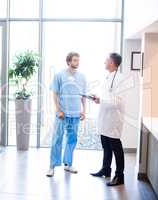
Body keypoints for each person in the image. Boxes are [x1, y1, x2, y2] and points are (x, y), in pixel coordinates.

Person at [46, 52, 87, 177]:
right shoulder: (59, 75)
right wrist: (58, 110)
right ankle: (52, 166)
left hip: (75, 114)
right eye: (75, 60)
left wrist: (84, 110)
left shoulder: (82, 77)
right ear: (68, 61)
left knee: (72, 139)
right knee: (57, 139)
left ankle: (68, 164)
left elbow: (83, 95)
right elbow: (55, 93)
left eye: (78, 60)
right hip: (62, 113)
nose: (77, 63)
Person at [90, 53, 125, 187]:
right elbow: (107, 96)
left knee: (116, 148)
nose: (104, 61)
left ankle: (119, 176)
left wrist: (101, 100)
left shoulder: (120, 79)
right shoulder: (108, 77)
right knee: (106, 145)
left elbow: (117, 101)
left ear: (111, 62)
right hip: (105, 117)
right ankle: (106, 169)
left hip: (113, 119)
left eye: (106, 60)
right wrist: (97, 98)